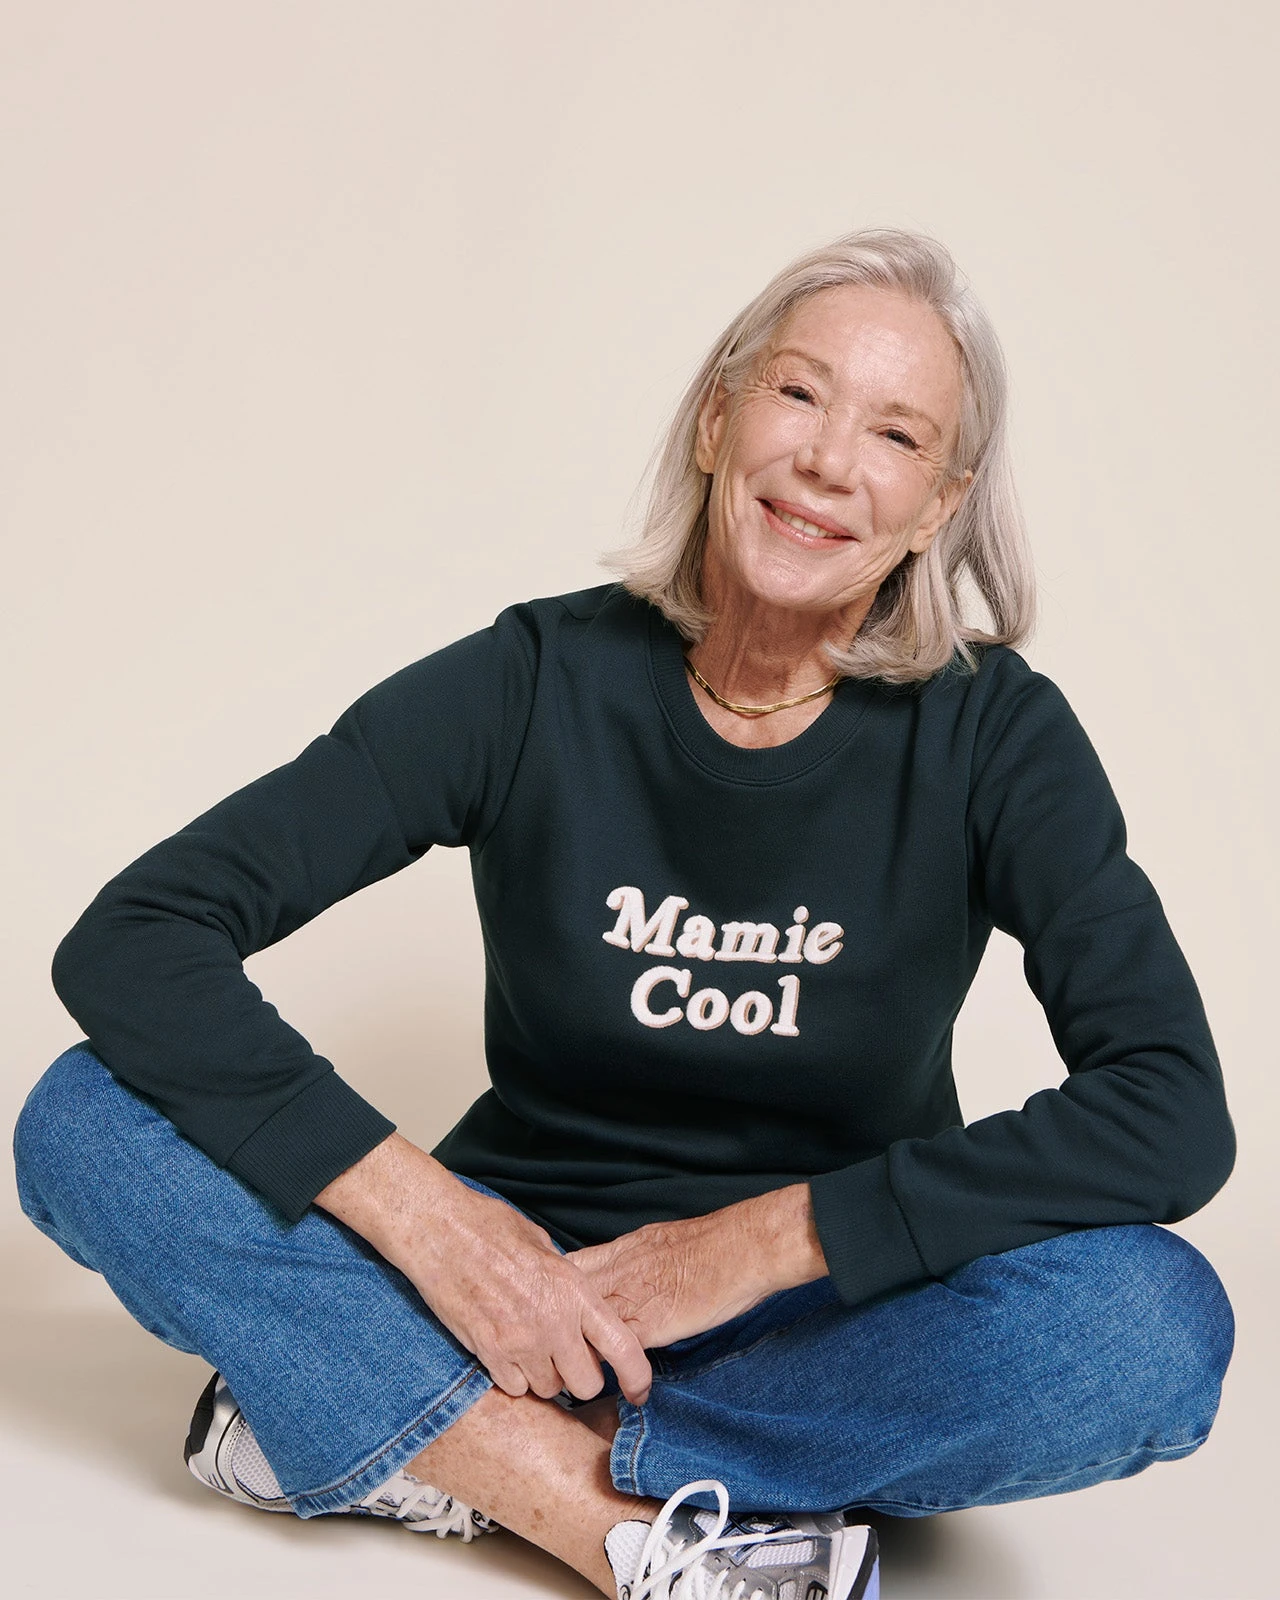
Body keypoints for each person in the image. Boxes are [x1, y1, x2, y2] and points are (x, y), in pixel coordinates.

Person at [14, 228, 1235, 1600]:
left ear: (938, 504)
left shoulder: (995, 736)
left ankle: (410, 1433)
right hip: (502, 1293)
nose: (830, 460)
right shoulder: (535, 678)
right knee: (80, 1121)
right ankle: (623, 1528)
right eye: (798, 393)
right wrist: (439, 1228)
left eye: (896, 435)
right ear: (717, 420)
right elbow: (137, 938)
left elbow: (1170, 1110)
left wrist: (752, 1246)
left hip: (825, 1326)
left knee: (1152, 1328)